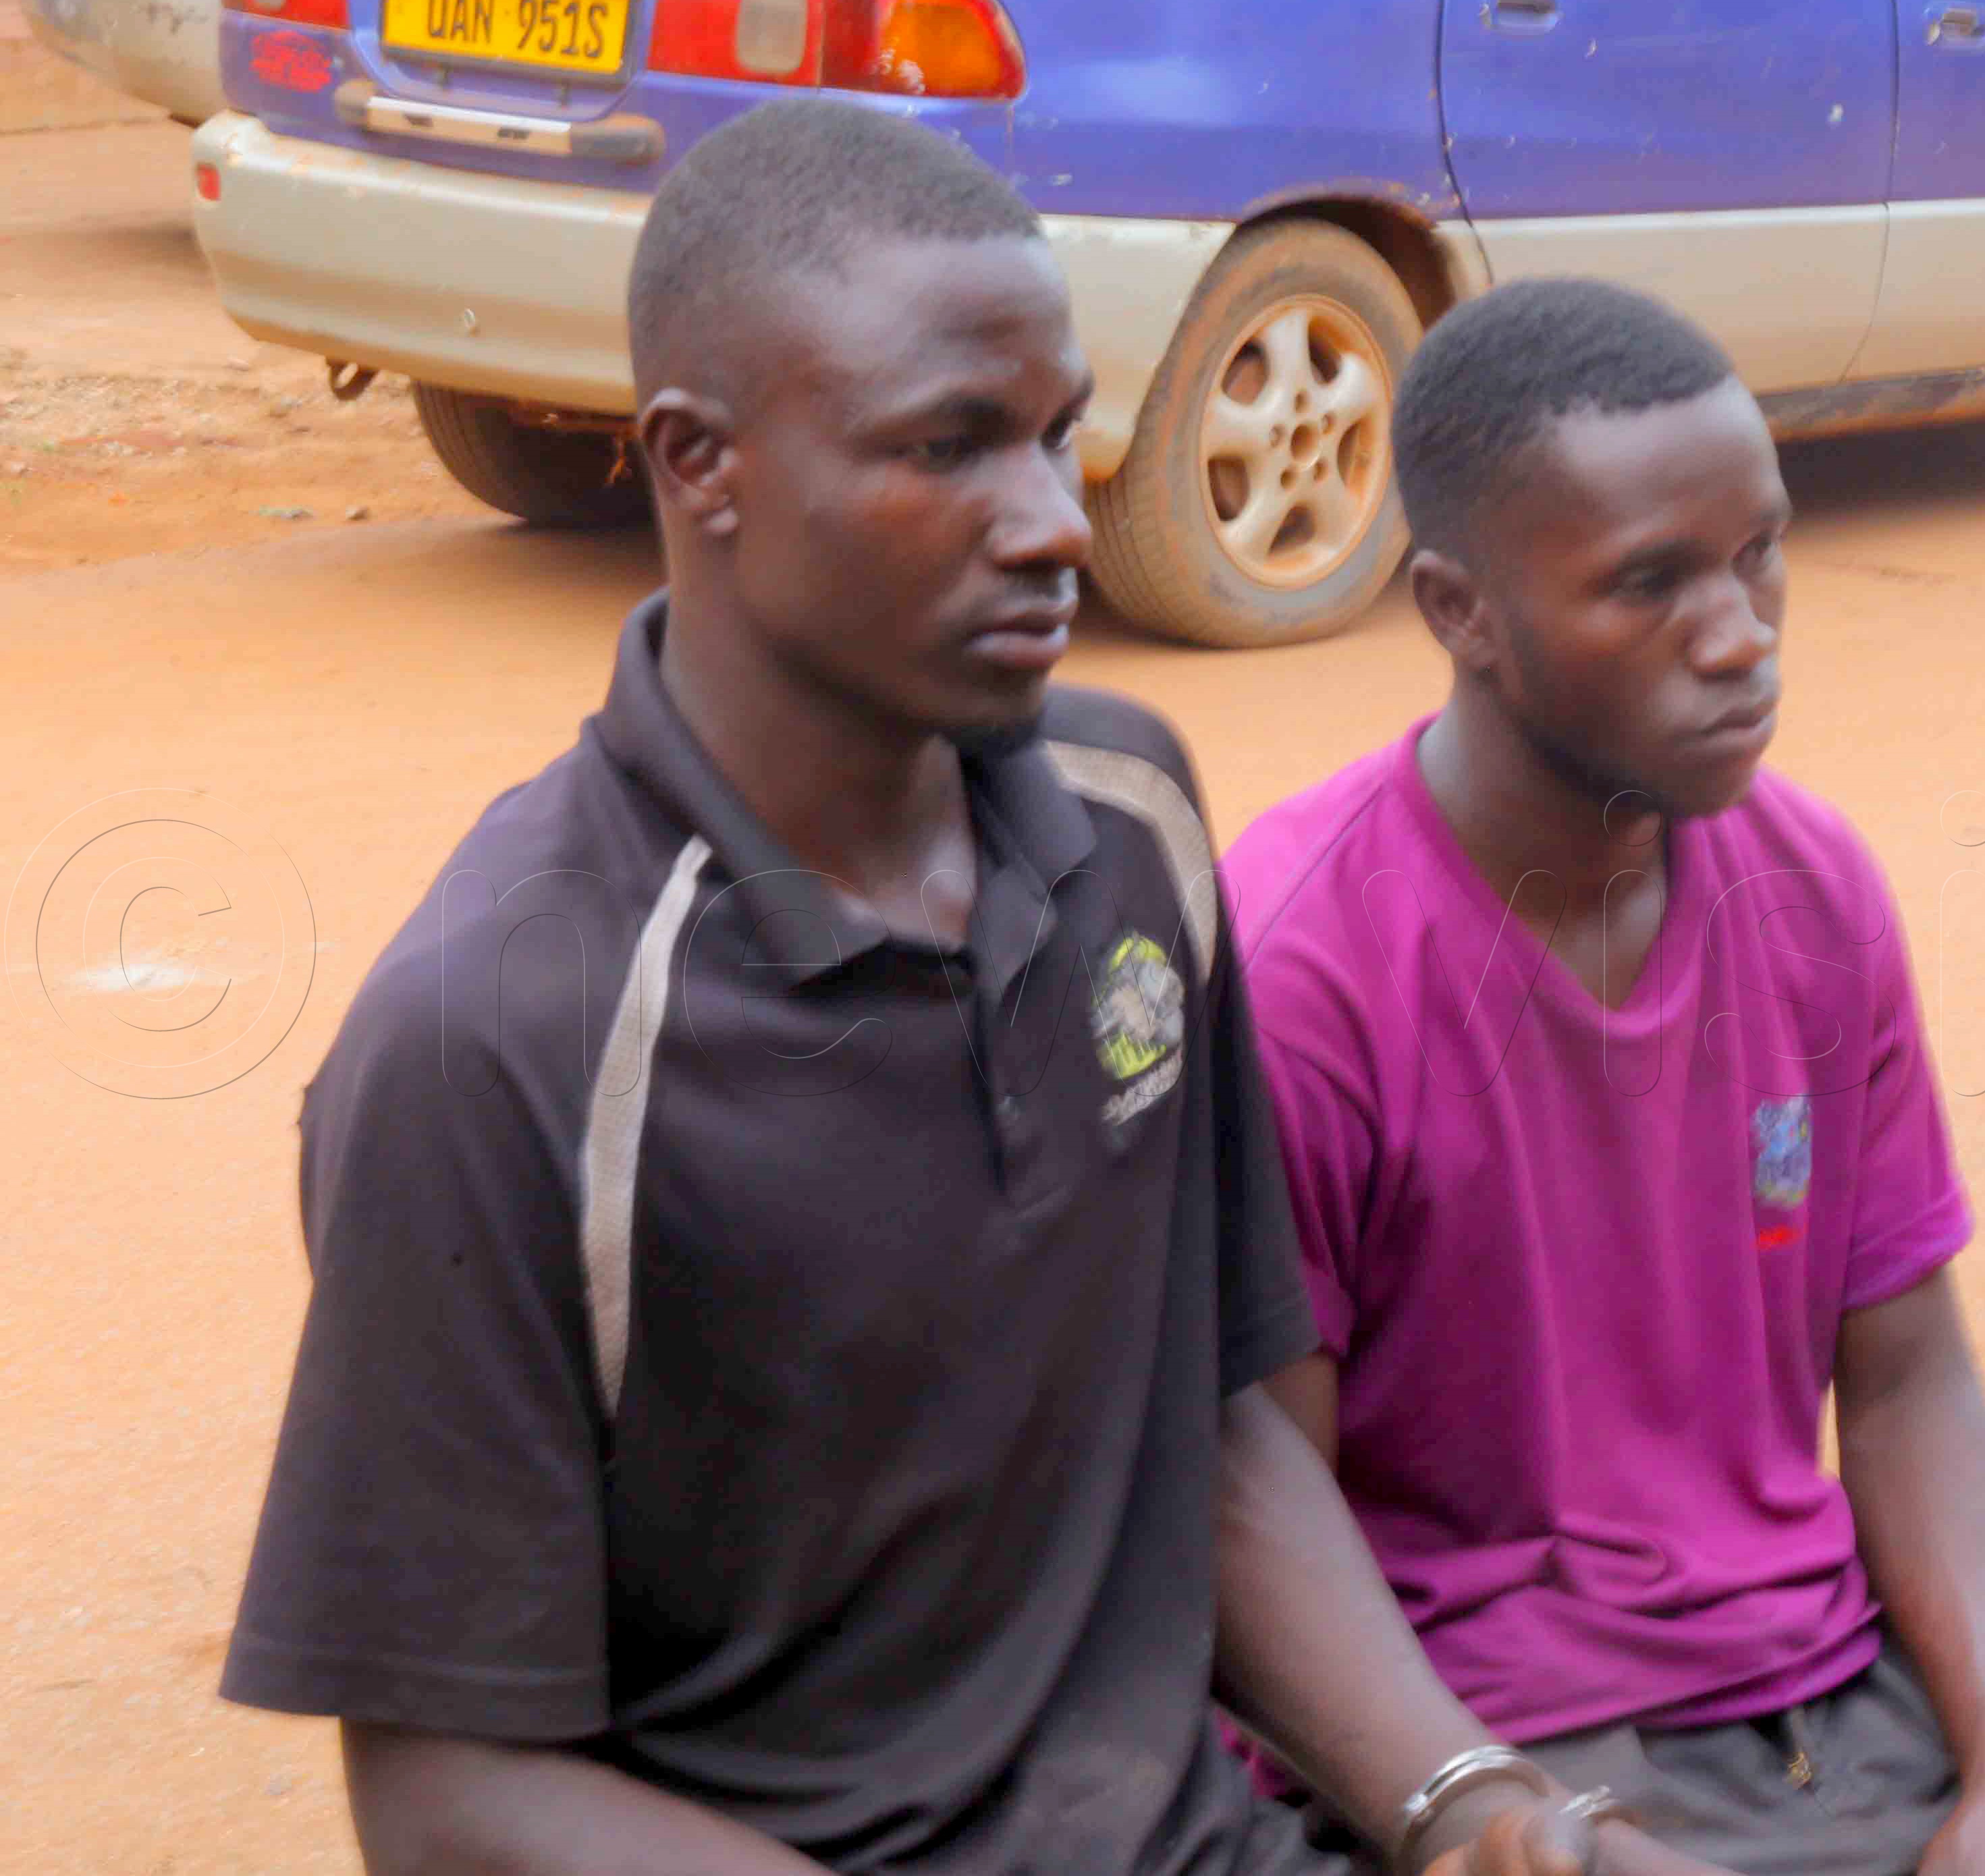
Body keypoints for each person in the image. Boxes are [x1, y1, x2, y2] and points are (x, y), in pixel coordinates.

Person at [217, 107, 1718, 1876]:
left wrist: (1474, 1807)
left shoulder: (1132, 821)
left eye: (1056, 434)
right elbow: (453, 1794)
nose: (1054, 523)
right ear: (702, 465)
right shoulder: (500, 1034)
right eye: (950, 447)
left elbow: (1220, 1437)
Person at [1218, 279, 1985, 1876]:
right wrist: (1494, 1819)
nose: (1740, 633)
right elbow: (1245, 1493)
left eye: (1759, 548)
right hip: (1532, 1750)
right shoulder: (1301, 970)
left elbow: (1905, 1382)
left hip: (1851, 1684)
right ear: (1458, 610)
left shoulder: (1812, 889)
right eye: (1650, 584)